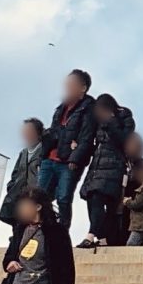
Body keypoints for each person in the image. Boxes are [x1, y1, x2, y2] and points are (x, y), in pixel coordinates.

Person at [81, 94, 138, 248]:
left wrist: (111, 121)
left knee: (101, 197)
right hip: (96, 165)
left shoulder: (123, 116)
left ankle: (91, 235)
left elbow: (124, 139)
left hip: (114, 164)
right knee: (92, 198)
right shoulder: (96, 121)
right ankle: (102, 237)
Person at [43, 71, 98, 211]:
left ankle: (61, 231)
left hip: (68, 162)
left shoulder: (89, 108)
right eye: (66, 84)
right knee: (39, 197)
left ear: (83, 88)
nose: (67, 87)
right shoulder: (61, 107)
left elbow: (87, 136)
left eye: (71, 84)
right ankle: (40, 229)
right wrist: (43, 153)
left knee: (64, 198)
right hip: (50, 158)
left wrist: (75, 159)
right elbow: (54, 131)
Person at [6, 119, 47, 211]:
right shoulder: (24, 153)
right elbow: (15, 174)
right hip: (20, 198)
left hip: (37, 198)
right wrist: (11, 187)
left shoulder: (45, 150)